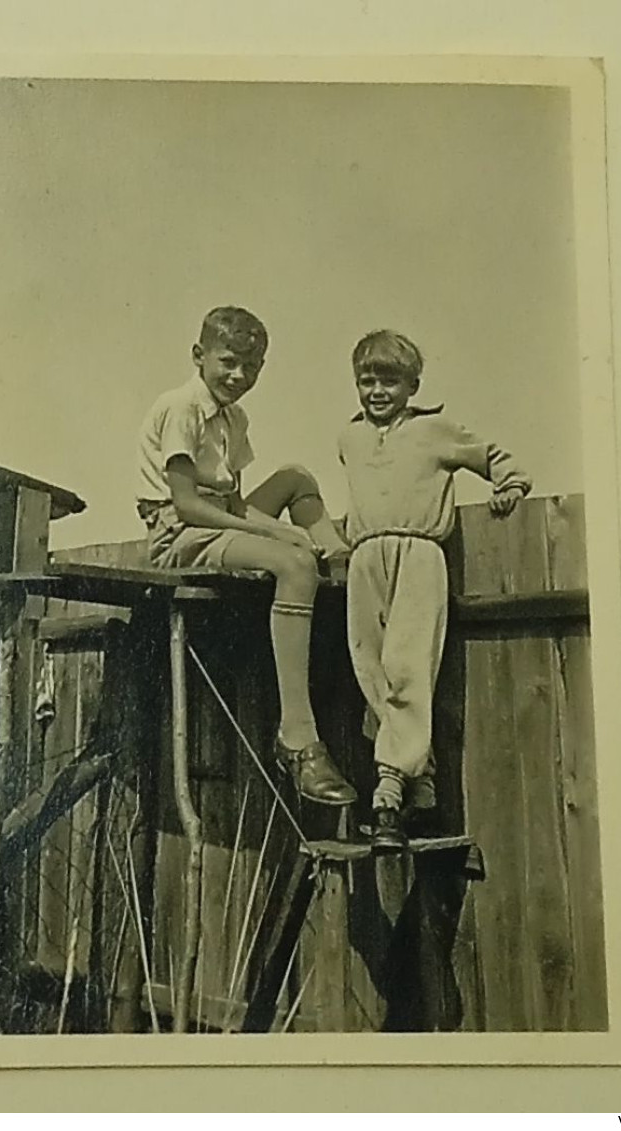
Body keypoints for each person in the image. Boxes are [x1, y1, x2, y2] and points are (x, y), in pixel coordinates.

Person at [136, 305, 355, 806]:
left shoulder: (234, 418)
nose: (238, 376)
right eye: (228, 362)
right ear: (199, 356)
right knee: (295, 565)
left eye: (251, 368)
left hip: (214, 519)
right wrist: (283, 537)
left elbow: (234, 503)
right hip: (179, 533)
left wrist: (297, 533)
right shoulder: (180, 408)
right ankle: (298, 738)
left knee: (297, 476)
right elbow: (188, 504)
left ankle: (338, 558)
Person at [338, 330, 532, 846]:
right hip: (365, 559)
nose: (378, 391)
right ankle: (419, 778)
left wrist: (509, 485)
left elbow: (491, 456)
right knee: (370, 667)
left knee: (407, 664)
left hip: (418, 553)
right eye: (367, 380)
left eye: (390, 381)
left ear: (413, 385)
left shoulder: (435, 430)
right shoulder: (351, 437)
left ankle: (387, 789)